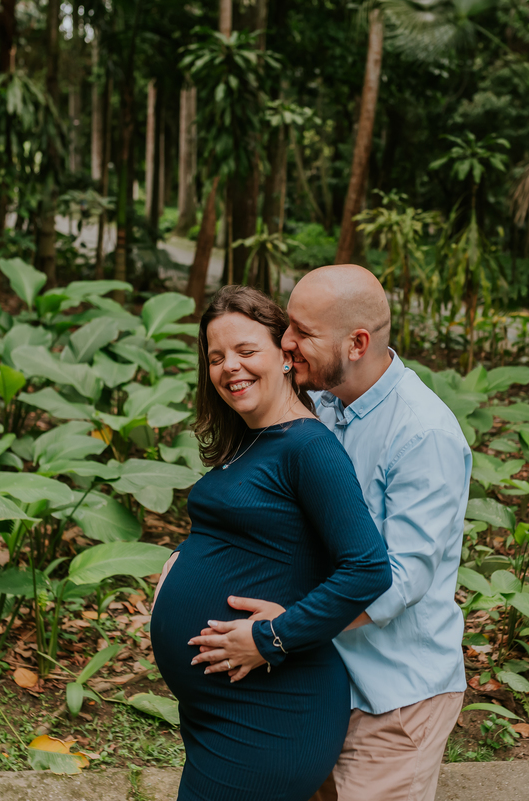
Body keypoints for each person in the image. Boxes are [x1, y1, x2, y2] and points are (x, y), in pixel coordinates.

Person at [196, 265, 473, 801]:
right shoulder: (319, 405)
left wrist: (282, 633)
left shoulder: (423, 434)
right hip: (319, 685)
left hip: (391, 696)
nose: (287, 343)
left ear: (357, 343)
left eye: (302, 333)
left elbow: (398, 580)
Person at [149, 285, 392, 801]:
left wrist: (272, 637)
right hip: (223, 707)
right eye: (216, 357)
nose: (228, 367)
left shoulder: (309, 448)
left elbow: (368, 568)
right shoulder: (255, 439)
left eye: (245, 351)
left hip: (273, 714)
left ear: (284, 355)